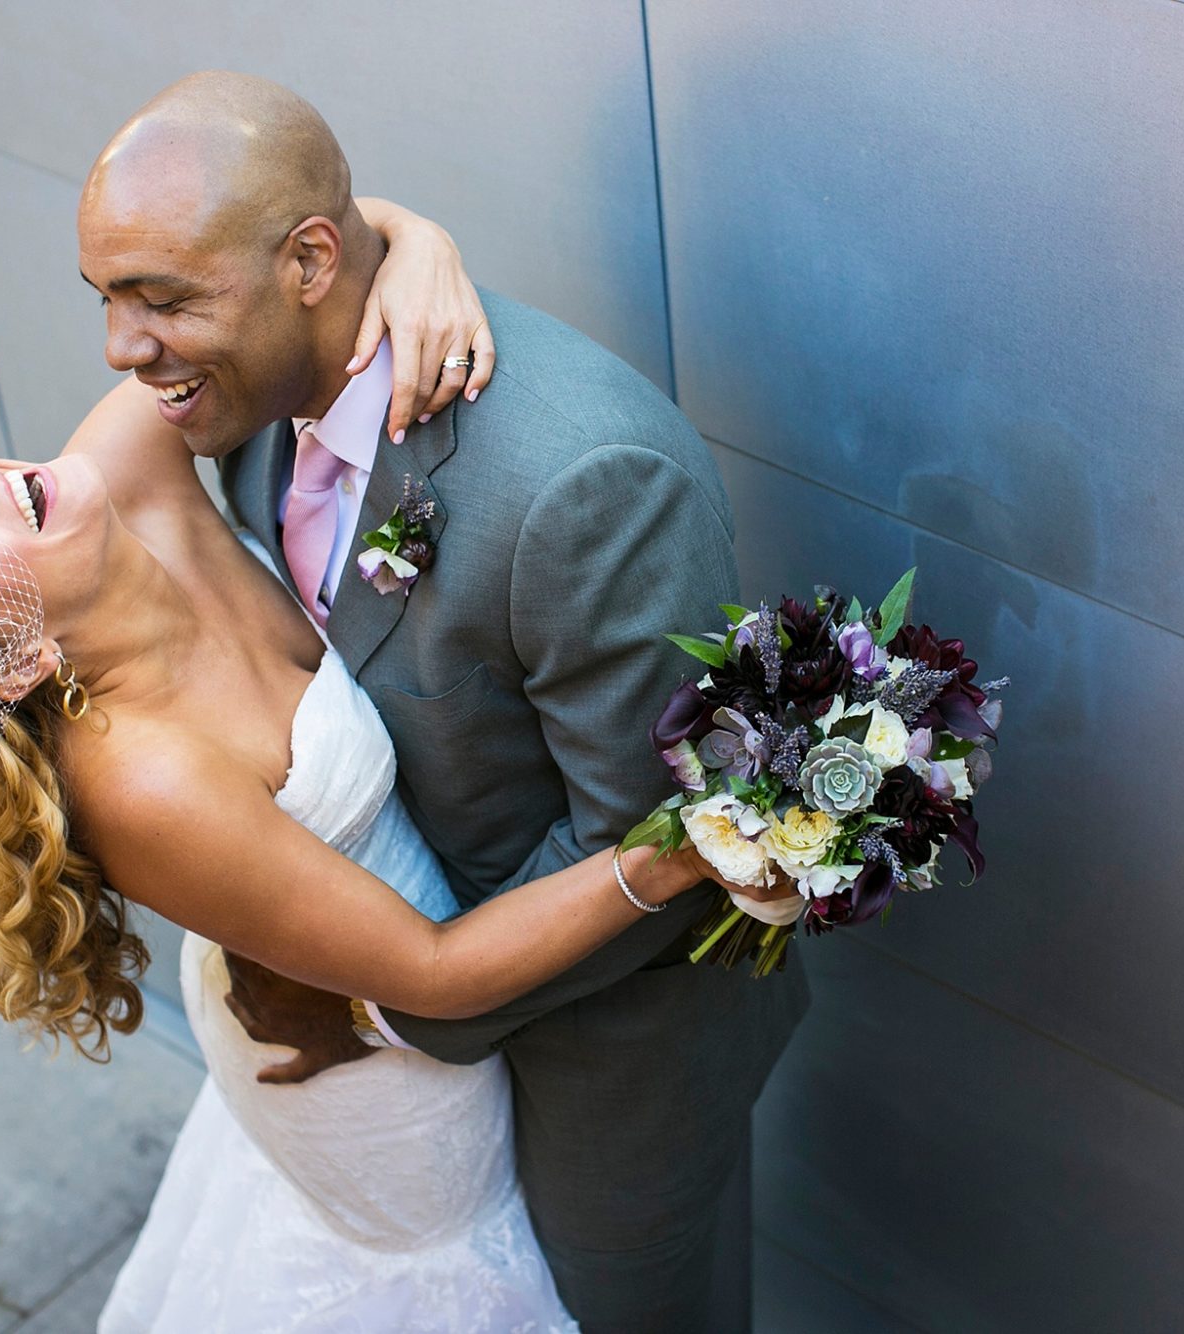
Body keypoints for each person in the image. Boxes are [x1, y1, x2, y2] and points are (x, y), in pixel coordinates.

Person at [72, 72, 809, 1329]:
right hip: (375, 1048)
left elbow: (656, 830)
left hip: (597, 1058)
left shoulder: (584, 481)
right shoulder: (223, 397)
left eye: (163, 298)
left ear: (311, 260)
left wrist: (376, 995)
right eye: (107, 299)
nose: (122, 347)